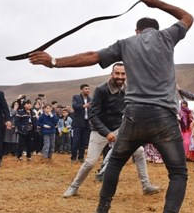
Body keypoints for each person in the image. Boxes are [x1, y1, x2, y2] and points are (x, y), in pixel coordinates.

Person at [29, 0, 194, 213]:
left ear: (137, 31)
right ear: (155, 29)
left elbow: (93, 56)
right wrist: (159, 3)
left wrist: (53, 62)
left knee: (115, 162)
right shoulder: (167, 37)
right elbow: (187, 18)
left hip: (133, 115)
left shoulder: (127, 43)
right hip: (163, 117)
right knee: (179, 173)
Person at [63, 62, 161, 198]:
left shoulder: (128, 89)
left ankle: (146, 185)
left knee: (139, 151)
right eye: (117, 73)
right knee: (90, 162)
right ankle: (73, 187)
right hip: (99, 130)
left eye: (123, 74)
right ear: (112, 74)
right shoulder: (101, 90)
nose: (120, 76)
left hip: (119, 128)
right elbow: (93, 115)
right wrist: (106, 132)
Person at [71, 84, 91, 163]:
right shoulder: (76, 97)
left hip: (87, 123)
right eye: (86, 89)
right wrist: (83, 106)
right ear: (81, 90)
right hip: (78, 123)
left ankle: (81, 157)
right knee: (76, 141)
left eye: (89, 89)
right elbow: (74, 106)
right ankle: (73, 157)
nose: (87, 90)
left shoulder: (91, 99)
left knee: (84, 141)